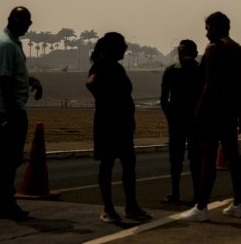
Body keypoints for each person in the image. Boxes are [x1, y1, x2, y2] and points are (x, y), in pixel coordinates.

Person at [181, 11, 241, 222]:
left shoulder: (213, 48)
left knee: (208, 158)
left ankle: (201, 207)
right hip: (229, 111)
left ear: (217, 27)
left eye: (208, 28)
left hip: (212, 111)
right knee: (234, 158)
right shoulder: (238, 49)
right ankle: (238, 204)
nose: (206, 33)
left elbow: (209, 84)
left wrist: (198, 111)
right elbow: (238, 86)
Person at [0, 6, 42, 220]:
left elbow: (12, 75)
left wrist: (30, 81)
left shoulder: (13, 42)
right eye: (26, 21)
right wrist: (12, 112)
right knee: (6, 159)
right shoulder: (6, 45)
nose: (28, 25)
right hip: (7, 109)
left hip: (7, 108)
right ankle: (3, 201)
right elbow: (4, 80)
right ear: (14, 20)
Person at [86, 32, 151, 223]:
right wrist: (108, 103)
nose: (125, 48)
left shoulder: (114, 67)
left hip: (120, 122)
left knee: (127, 163)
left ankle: (131, 206)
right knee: (109, 164)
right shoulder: (103, 65)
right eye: (122, 45)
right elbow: (90, 83)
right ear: (114, 48)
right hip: (110, 122)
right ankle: (109, 208)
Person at [160, 39, 202, 204]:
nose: (181, 53)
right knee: (175, 158)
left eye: (184, 50)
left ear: (193, 53)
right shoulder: (171, 71)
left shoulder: (200, 71)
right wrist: (169, 115)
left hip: (195, 120)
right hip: (177, 120)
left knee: (195, 158)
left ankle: (197, 194)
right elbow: (164, 98)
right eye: (180, 50)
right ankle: (175, 192)